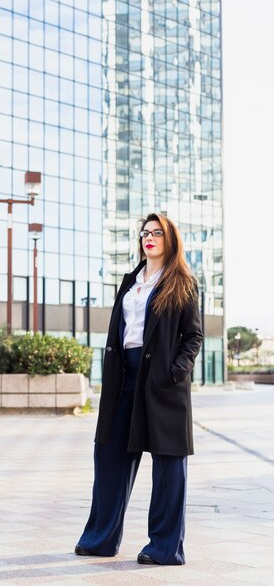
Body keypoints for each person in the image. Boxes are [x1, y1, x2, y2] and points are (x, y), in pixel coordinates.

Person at [75, 212, 203, 566]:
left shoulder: (182, 281)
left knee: (168, 466)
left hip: (162, 381)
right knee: (109, 455)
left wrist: (175, 372)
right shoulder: (131, 280)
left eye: (156, 232)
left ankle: (164, 547)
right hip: (124, 380)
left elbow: (193, 336)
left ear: (170, 239)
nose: (149, 237)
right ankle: (100, 539)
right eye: (144, 232)